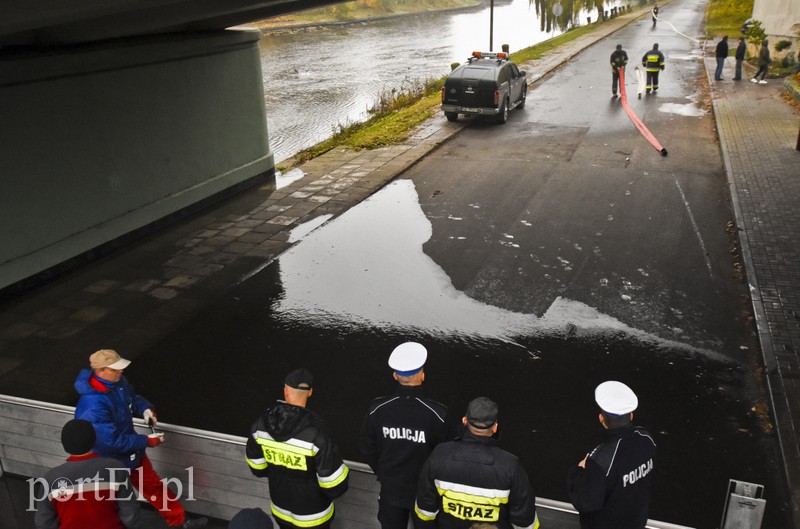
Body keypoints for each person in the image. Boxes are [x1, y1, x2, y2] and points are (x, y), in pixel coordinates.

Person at [74, 349, 207, 528]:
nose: (120, 372)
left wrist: (145, 408)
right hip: (107, 460)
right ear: (100, 371)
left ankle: (180, 521)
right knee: (111, 503)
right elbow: (111, 442)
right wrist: (147, 441)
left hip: (130, 451)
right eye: (115, 369)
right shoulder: (93, 405)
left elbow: (132, 398)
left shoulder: (118, 382)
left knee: (153, 487)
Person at [359, 342, 459, 529]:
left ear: (395, 375)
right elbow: (447, 455)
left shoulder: (377, 409)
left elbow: (366, 448)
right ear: (422, 375)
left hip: (391, 490)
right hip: (425, 494)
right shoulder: (437, 414)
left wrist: (383, 472)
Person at [245, 368, 349, 529]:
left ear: (285, 390)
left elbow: (258, 468)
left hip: (280, 510)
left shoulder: (261, 426)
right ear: (310, 392)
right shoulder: (318, 433)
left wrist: (279, 472)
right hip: (314, 516)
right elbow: (334, 485)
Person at [413, 397, 539, 529]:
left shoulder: (440, 454)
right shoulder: (511, 466)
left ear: (464, 421)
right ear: (495, 427)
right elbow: (525, 521)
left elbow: (425, 512)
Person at [567, 381, 657, 529]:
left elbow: (585, 502)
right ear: (631, 415)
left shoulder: (601, 460)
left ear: (601, 419)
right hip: (636, 522)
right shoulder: (646, 438)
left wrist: (578, 472)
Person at [34, 419, 143, 529]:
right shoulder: (116, 468)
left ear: (64, 444)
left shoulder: (51, 478)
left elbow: (43, 523)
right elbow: (131, 515)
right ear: (94, 440)